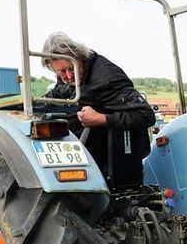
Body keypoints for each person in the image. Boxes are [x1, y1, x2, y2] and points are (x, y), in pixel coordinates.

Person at [41, 32, 155, 188]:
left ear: (79, 57)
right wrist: (33, 104)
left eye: (71, 68)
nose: (69, 76)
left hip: (106, 155)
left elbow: (145, 115)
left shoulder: (107, 78)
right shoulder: (67, 76)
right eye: (61, 72)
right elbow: (58, 93)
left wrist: (101, 119)